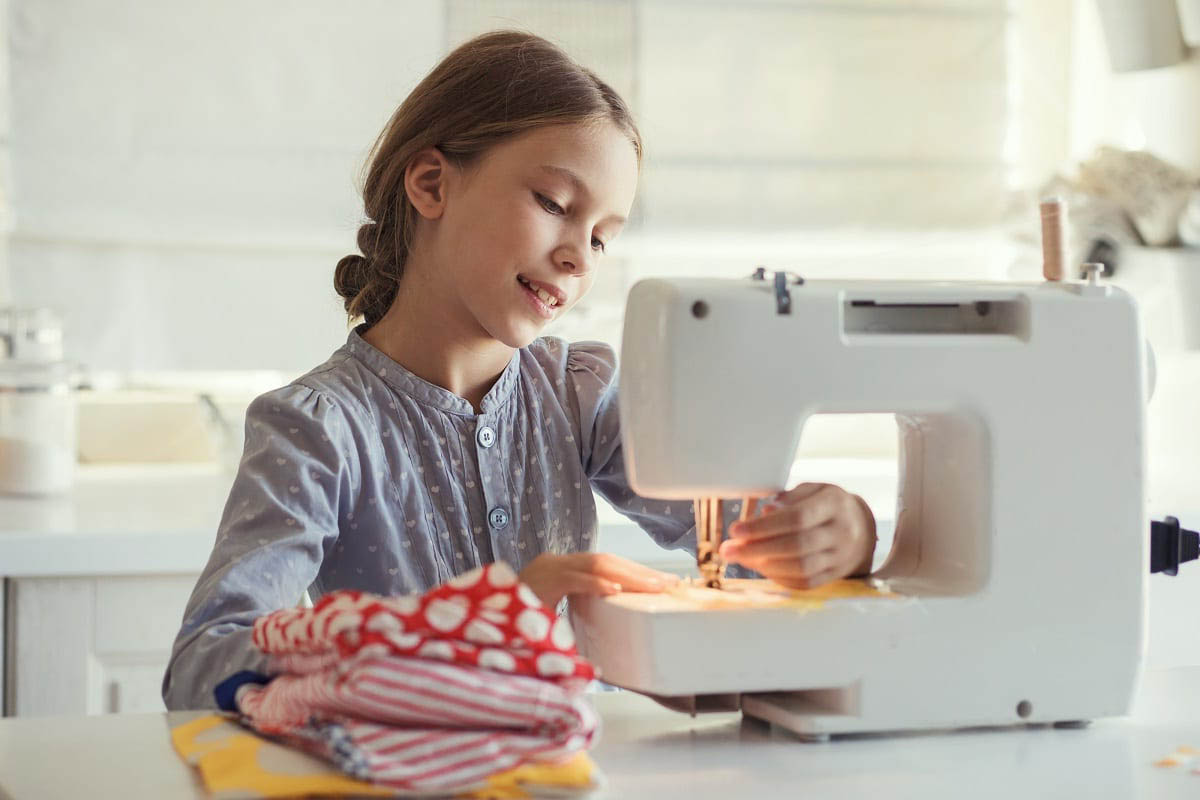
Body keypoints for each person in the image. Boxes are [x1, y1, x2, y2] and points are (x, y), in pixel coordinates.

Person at [162, 30, 877, 711]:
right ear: (433, 183)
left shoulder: (580, 397)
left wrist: (846, 533)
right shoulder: (318, 430)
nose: (579, 257)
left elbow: (748, 550)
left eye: (602, 237)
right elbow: (203, 666)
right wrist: (482, 622)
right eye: (555, 205)